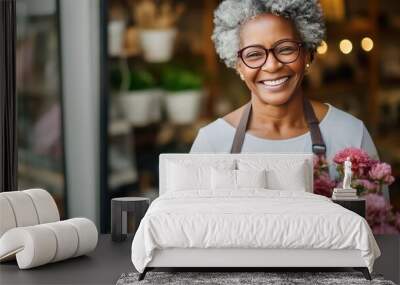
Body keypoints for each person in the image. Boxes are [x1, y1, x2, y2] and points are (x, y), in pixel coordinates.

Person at [190, 0, 383, 189]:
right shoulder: (212, 143)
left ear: (307, 55)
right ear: (238, 65)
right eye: (254, 54)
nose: (272, 65)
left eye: (286, 49)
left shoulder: (351, 134)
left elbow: (376, 219)